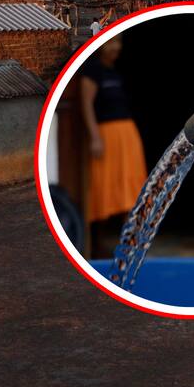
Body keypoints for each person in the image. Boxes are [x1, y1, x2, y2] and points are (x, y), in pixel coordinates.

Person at [79, 37, 146, 257]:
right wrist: (94, 137)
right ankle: (95, 243)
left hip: (126, 134)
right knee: (103, 187)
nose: (116, 47)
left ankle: (129, 242)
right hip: (106, 134)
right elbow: (86, 104)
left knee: (131, 185)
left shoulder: (114, 72)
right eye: (111, 43)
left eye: (118, 42)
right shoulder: (92, 71)